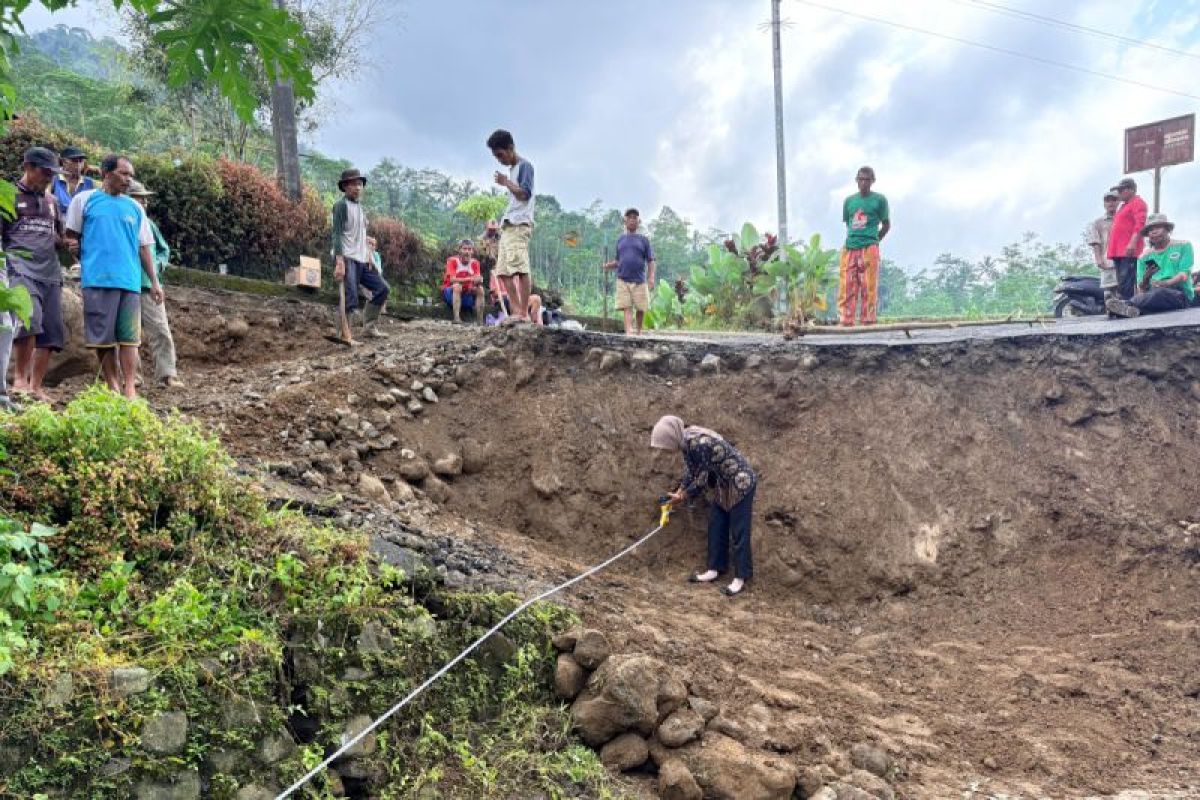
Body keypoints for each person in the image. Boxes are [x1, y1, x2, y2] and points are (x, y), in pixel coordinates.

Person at [64, 154, 164, 399]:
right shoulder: (84, 200)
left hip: (129, 281)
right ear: (106, 173)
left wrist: (154, 282)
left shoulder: (135, 208)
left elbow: (144, 247)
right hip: (97, 279)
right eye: (124, 174)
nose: (129, 180)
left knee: (130, 337)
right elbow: (71, 236)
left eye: (131, 175)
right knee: (103, 338)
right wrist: (75, 251)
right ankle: (113, 385)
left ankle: (130, 387)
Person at [652, 415, 757, 597]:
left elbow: (701, 479)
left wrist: (683, 496)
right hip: (723, 483)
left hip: (741, 481)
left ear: (672, 437)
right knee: (717, 524)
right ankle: (714, 569)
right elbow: (691, 470)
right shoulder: (686, 441)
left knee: (739, 530)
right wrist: (680, 490)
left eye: (666, 445)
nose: (666, 450)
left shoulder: (699, 443)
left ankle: (741, 577)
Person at [4, 147, 65, 405]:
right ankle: (19, 380)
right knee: (30, 319)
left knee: (51, 329)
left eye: (53, 174)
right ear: (28, 167)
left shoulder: (52, 202)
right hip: (19, 267)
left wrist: (67, 243)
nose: (49, 178)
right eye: (45, 172)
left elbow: (58, 235)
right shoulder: (9, 196)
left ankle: (36, 386)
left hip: (49, 270)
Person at [128, 180, 183, 388]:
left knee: (160, 330)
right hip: (127, 285)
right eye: (139, 198)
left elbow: (163, 249)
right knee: (128, 335)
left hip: (149, 285)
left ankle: (167, 375)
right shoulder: (122, 223)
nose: (144, 203)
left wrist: (159, 265)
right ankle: (133, 377)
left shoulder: (149, 225)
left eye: (145, 199)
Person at [331, 167, 389, 339]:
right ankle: (343, 334)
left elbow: (361, 235)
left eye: (359, 184)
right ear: (345, 187)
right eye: (353, 184)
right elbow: (336, 234)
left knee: (382, 288)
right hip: (347, 257)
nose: (357, 187)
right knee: (351, 297)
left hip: (362, 259)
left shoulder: (360, 208)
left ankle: (369, 327)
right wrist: (339, 261)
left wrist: (369, 255)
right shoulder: (341, 206)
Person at [487, 129, 535, 323]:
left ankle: (524, 313)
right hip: (508, 225)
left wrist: (506, 182)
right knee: (503, 271)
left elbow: (525, 194)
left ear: (510, 148)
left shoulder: (525, 166)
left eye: (500, 155)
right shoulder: (513, 170)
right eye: (496, 157)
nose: (499, 160)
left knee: (520, 268)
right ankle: (516, 311)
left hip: (519, 224)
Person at [1106, 213, 1193, 318]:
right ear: (1148, 234)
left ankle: (1125, 305)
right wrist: (1146, 279)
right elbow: (1142, 289)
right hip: (1153, 295)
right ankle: (1128, 310)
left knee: (1160, 293)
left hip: (1180, 294)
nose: (1154, 231)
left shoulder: (1183, 246)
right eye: (1150, 229)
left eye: (1158, 227)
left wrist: (1166, 283)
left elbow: (1184, 274)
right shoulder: (1144, 257)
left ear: (1167, 229)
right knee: (1152, 295)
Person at [838, 166, 890, 326]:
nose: (863, 183)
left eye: (867, 180)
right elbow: (849, 224)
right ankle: (846, 320)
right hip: (850, 247)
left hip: (869, 247)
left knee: (868, 285)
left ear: (872, 181)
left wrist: (875, 240)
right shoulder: (849, 201)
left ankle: (868, 319)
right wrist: (856, 239)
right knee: (847, 285)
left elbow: (886, 225)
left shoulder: (880, 200)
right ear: (856, 180)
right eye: (860, 179)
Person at [603, 208, 656, 336]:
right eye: (630, 218)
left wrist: (651, 277)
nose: (632, 220)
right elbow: (618, 261)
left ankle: (638, 332)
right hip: (623, 279)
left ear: (638, 221)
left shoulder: (644, 240)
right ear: (625, 221)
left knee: (641, 308)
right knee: (627, 307)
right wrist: (608, 266)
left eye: (635, 218)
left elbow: (650, 261)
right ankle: (628, 333)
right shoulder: (620, 240)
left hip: (639, 280)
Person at [1107, 177, 1147, 301]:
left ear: (1131, 189)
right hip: (1118, 250)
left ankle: (1126, 305)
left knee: (1126, 280)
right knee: (1121, 281)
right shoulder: (1123, 206)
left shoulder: (1138, 202)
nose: (1119, 193)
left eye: (1122, 190)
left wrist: (1133, 242)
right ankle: (1123, 304)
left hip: (1128, 249)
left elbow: (1140, 224)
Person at [441, 239, 485, 323]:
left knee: (480, 289)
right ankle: (456, 318)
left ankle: (480, 321)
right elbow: (452, 280)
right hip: (451, 294)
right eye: (464, 249)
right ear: (459, 250)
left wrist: (479, 280)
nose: (467, 252)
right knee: (457, 286)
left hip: (467, 295)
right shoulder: (452, 261)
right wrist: (471, 279)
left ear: (472, 251)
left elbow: (476, 280)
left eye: (469, 249)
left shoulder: (475, 263)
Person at [1087, 189, 1120, 297]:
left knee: (1125, 289)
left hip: (1124, 259)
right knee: (1109, 290)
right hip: (1108, 260)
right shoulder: (1098, 222)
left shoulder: (1124, 219)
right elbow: (1095, 242)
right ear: (1104, 204)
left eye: (1114, 200)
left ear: (1118, 202)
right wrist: (1098, 259)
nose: (1111, 203)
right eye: (1108, 200)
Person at [51, 146, 95, 217]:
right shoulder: (54, 179)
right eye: (74, 161)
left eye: (81, 161)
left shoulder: (88, 183)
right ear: (64, 162)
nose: (78, 165)